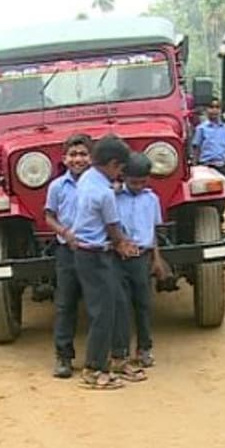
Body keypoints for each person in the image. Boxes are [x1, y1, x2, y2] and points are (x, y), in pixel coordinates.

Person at [67, 135, 141, 389]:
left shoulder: (88, 178)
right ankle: (94, 368)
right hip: (93, 254)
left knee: (119, 301)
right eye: (120, 168)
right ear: (111, 164)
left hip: (96, 252)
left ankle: (119, 357)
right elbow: (113, 228)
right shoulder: (104, 193)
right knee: (103, 311)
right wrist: (125, 244)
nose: (121, 174)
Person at [45, 133, 93, 379]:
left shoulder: (101, 184)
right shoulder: (56, 186)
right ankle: (64, 357)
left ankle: (98, 357)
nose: (78, 159)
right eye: (73, 155)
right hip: (67, 251)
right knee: (65, 304)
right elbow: (49, 216)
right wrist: (64, 232)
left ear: (92, 158)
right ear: (64, 159)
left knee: (99, 303)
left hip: (95, 251)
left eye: (83, 154)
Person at [114, 152, 165, 370]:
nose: (138, 186)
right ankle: (121, 350)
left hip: (142, 257)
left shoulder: (151, 199)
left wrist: (157, 259)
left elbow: (152, 232)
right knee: (121, 305)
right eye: (133, 182)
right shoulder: (113, 197)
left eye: (143, 182)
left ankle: (144, 348)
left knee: (143, 304)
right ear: (123, 178)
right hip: (118, 257)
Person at [190, 98, 225, 181]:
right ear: (206, 110)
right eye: (211, 107)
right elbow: (196, 149)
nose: (214, 110)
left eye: (217, 107)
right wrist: (194, 168)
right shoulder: (201, 129)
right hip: (206, 168)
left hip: (223, 168)